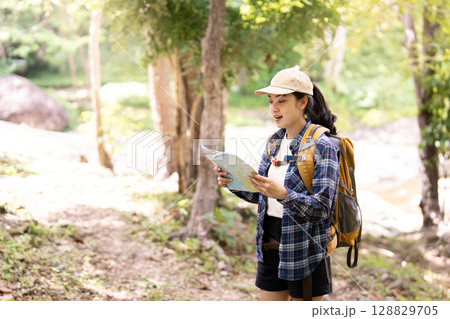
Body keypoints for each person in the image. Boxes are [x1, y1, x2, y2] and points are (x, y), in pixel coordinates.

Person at [214, 66, 340, 301]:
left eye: (281, 101)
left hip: (306, 249)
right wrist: (233, 182)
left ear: (302, 103)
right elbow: (262, 194)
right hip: (270, 242)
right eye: (271, 101)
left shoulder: (323, 145)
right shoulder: (274, 141)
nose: (273, 108)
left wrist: (283, 194)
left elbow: (322, 208)